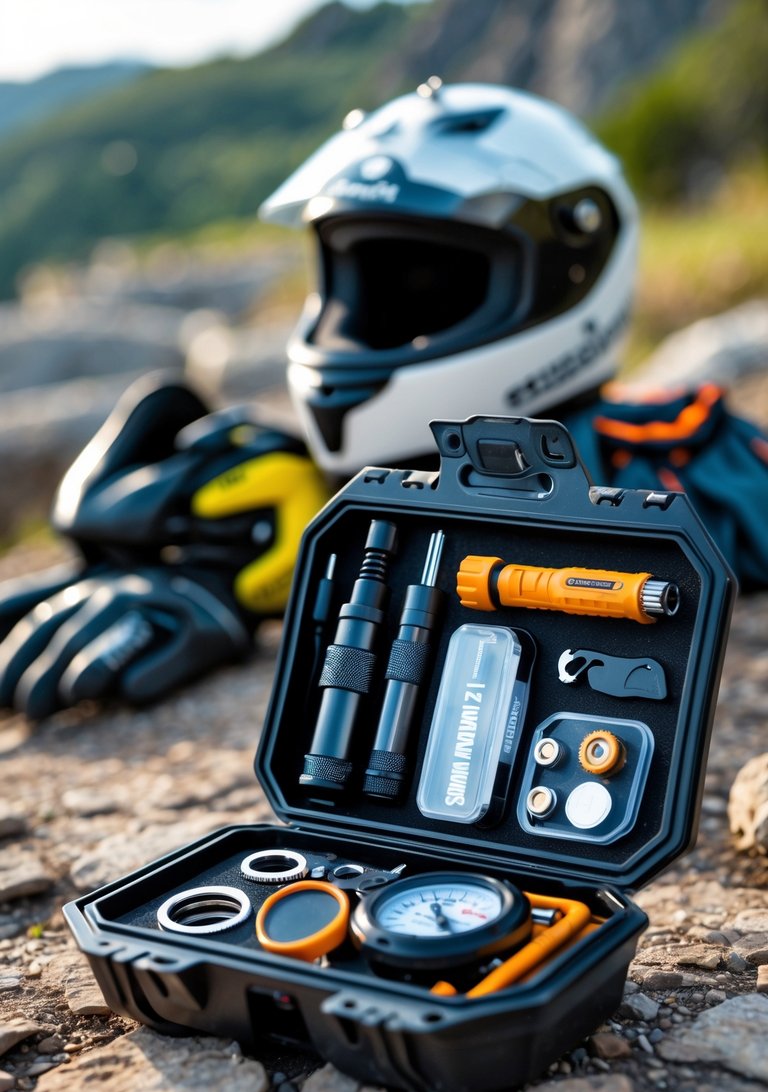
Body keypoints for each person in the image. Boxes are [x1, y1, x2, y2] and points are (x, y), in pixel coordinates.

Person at [1, 80, 765, 719]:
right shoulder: (307, 478)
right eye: (359, 279)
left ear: (570, 271)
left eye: (423, 286)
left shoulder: (673, 449)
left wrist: (332, 555)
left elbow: (643, 538)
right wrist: (208, 544)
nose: (364, 323)